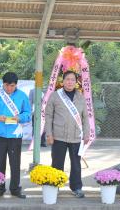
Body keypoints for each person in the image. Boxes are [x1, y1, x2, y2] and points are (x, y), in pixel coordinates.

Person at [45, 70, 90, 198]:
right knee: (57, 163)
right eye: (67, 79)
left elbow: (85, 117)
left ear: (76, 82)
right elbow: (48, 116)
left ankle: (76, 187)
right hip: (58, 136)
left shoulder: (81, 97)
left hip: (76, 137)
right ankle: (55, 185)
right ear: (63, 81)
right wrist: (49, 134)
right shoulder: (55, 96)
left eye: (72, 80)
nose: (70, 82)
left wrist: (86, 133)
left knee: (76, 164)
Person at [0, 72, 31, 199]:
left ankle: (15, 189)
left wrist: (19, 118)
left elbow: (28, 113)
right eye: (7, 85)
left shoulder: (22, 96)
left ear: (16, 85)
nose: (9, 88)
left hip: (15, 135)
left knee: (15, 163)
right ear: (3, 84)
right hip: (0, 134)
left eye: (12, 86)